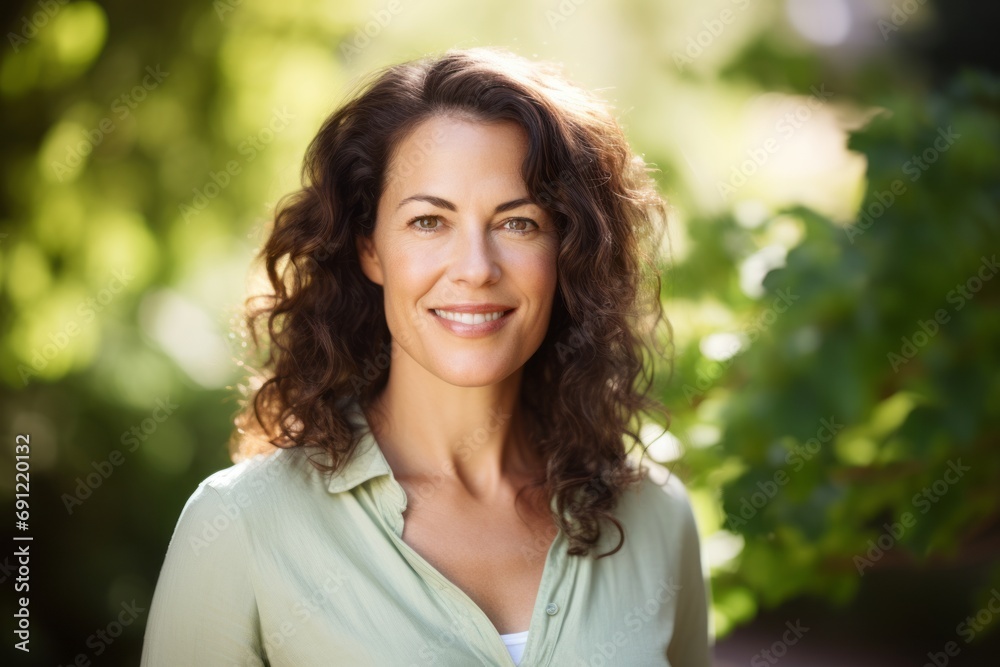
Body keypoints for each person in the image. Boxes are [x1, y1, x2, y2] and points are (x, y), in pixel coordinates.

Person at [141, 46, 712, 666]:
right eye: (429, 222)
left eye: (518, 223)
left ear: (566, 251)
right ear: (370, 248)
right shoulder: (241, 526)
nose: (475, 269)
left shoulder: (656, 518)